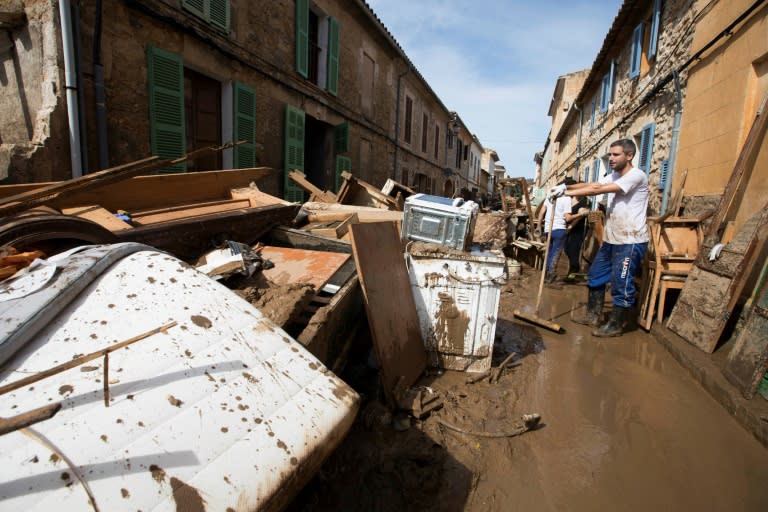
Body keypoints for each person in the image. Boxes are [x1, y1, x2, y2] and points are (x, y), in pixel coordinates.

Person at [547, 138, 649, 337]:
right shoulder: (613, 175)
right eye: (610, 154)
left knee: (622, 283)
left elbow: (596, 190)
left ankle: (616, 325)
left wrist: (566, 191)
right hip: (612, 239)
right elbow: (593, 183)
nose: (611, 158)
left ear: (629, 156)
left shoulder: (636, 176)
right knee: (595, 276)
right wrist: (563, 188)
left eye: (615, 154)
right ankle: (594, 315)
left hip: (630, 240)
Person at [537, 181, 571, 284]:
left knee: (550, 252)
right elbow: (568, 218)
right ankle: (551, 274)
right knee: (555, 253)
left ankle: (547, 273)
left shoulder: (549, 197)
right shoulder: (566, 199)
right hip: (559, 229)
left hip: (548, 229)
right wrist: (581, 214)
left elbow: (541, 212)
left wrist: (539, 225)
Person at [563, 180, 590, 282]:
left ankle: (572, 275)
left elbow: (579, 217)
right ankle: (572, 271)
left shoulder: (584, 202)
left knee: (573, 251)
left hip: (577, 229)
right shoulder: (569, 199)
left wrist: (570, 227)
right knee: (567, 249)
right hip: (568, 227)